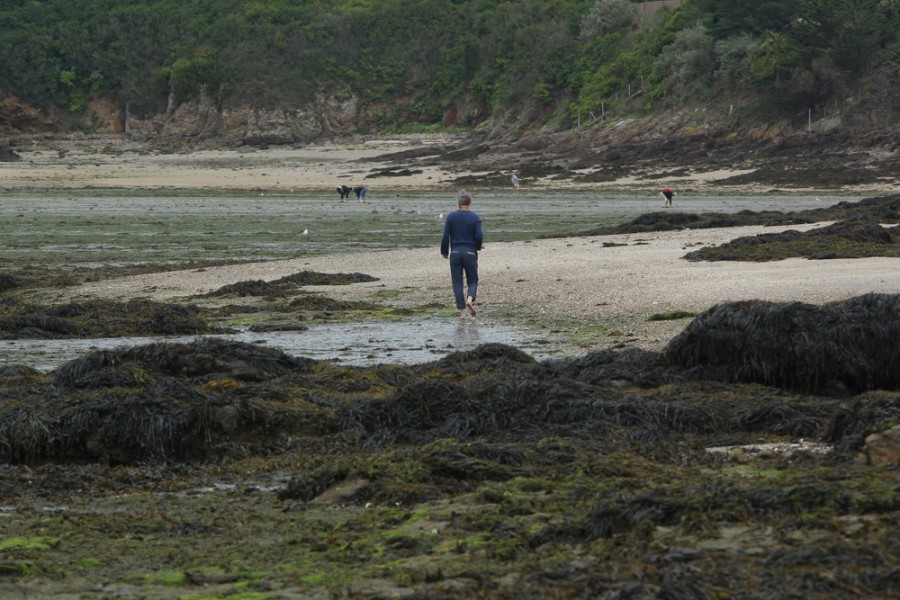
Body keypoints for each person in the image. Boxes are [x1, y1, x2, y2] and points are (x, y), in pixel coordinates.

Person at [441, 190, 483, 318]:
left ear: (458, 203)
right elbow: (479, 235)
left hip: (455, 252)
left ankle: (462, 313)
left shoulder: (451, 217)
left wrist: (444, 251)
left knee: (457, 282)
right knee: (473, 280)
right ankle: (470, 299)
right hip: (470, 251)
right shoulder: (475, 217)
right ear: (469, 203)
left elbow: (445, 236)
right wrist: (477, 247)